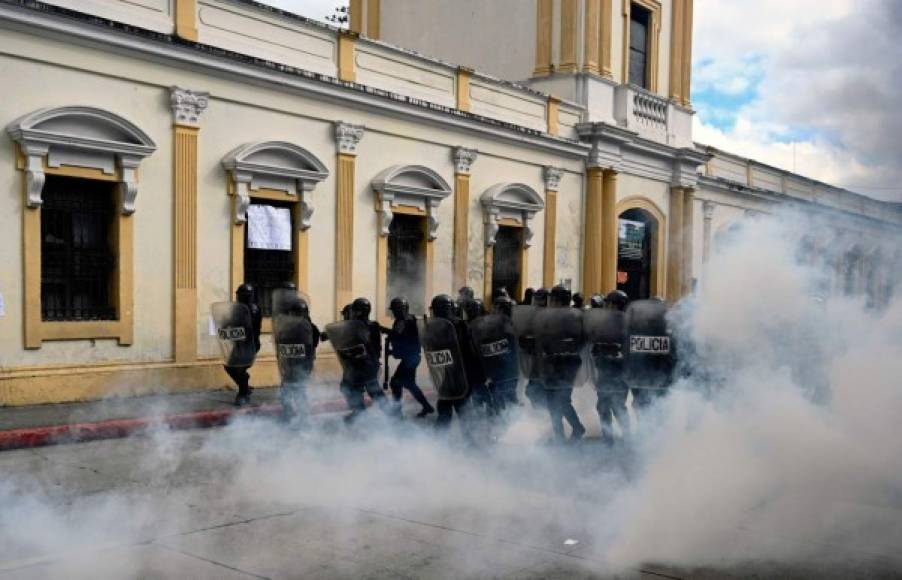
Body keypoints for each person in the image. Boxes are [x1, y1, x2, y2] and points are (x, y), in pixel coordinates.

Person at [328, 297, 392, 422]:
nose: (352, 313)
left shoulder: (364, 326)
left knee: (362, 388)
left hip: (365, 364)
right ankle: (382, 412)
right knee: (366, 388)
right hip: (363, 364)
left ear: (359, 311)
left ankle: (361, 412)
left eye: (354, 311)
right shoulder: (372, 325)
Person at [536, 285, 586, 442]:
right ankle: (559, 435)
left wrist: (567, 349)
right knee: (552, 400)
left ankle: (577, 428)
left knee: (562, 399)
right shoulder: (555, 316)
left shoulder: (574, 316)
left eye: (553, 299)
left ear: (557, 300)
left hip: (566, 363)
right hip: (554, 362)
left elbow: (583, 339)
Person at [588, 290, 630, 444]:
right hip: (623, 372)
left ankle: (608, 438)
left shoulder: (602, 321)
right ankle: (627, 435)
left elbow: (593, 342)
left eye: (608, 302)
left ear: (612, 303)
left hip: (606, 370)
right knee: (619, 405)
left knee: (604, 405)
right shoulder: (630, 321)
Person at [273, 292, 320, 425]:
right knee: (286, 390)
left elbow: (313, 344)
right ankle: (289, 414)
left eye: (296, 313)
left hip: (301, 364)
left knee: (298, 390)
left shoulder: (309, 327)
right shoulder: (286, 327)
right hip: (289, 364)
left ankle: (304, 418)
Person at [385, 296, 434, 418]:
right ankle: (426, 406)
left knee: (396, 382)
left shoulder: (405, 321)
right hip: (411, 357)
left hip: (410, 358)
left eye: (396, 310)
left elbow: (396, 335)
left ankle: (397, 412)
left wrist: (381, 329)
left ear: (402, 309)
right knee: (409, 384)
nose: (394, 313)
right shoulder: (410, 319)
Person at [227, 283, 262, 406]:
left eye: (244, 295)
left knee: (238, 368)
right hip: (239, 344)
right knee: (229, 366)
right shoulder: (238, 309)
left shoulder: (253, 309)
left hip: (249, 345)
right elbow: (231, 322)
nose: (241, 297)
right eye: (240, 295)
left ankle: (243, 392)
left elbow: (247, 327)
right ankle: (245, 384)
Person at [524, 287, 550, 409]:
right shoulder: (533, 315)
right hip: (536, 356)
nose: (537, 302)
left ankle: (545, 417)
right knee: (532, 390)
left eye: (540, 300)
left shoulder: (552, 315)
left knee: (540, 389)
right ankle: (540, 415)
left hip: (548, 358)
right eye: (536, 299)